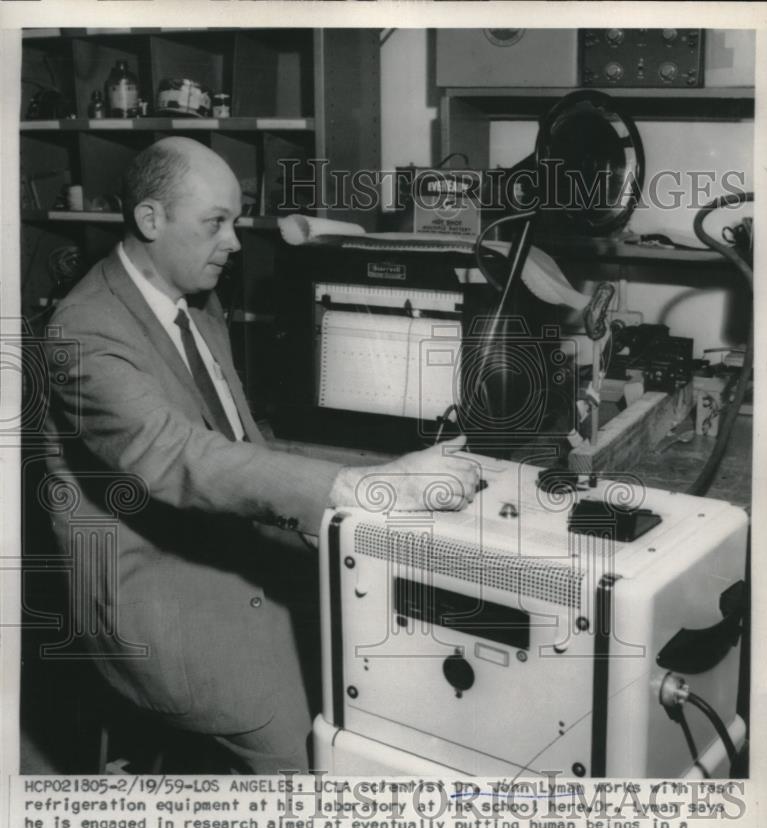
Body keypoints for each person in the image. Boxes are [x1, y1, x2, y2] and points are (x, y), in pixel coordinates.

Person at [41, 137, 479, 774]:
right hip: (161, 605)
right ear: (150, 220)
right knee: (319, 757)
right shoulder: (83, 332)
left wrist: (337, 496)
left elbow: (240, 441)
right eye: (215, 223)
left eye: (236, 220)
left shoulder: (192, 297)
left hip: (235, 548)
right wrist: (363, 486)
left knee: (395, 664)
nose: (236, 242)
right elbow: (178, 455)